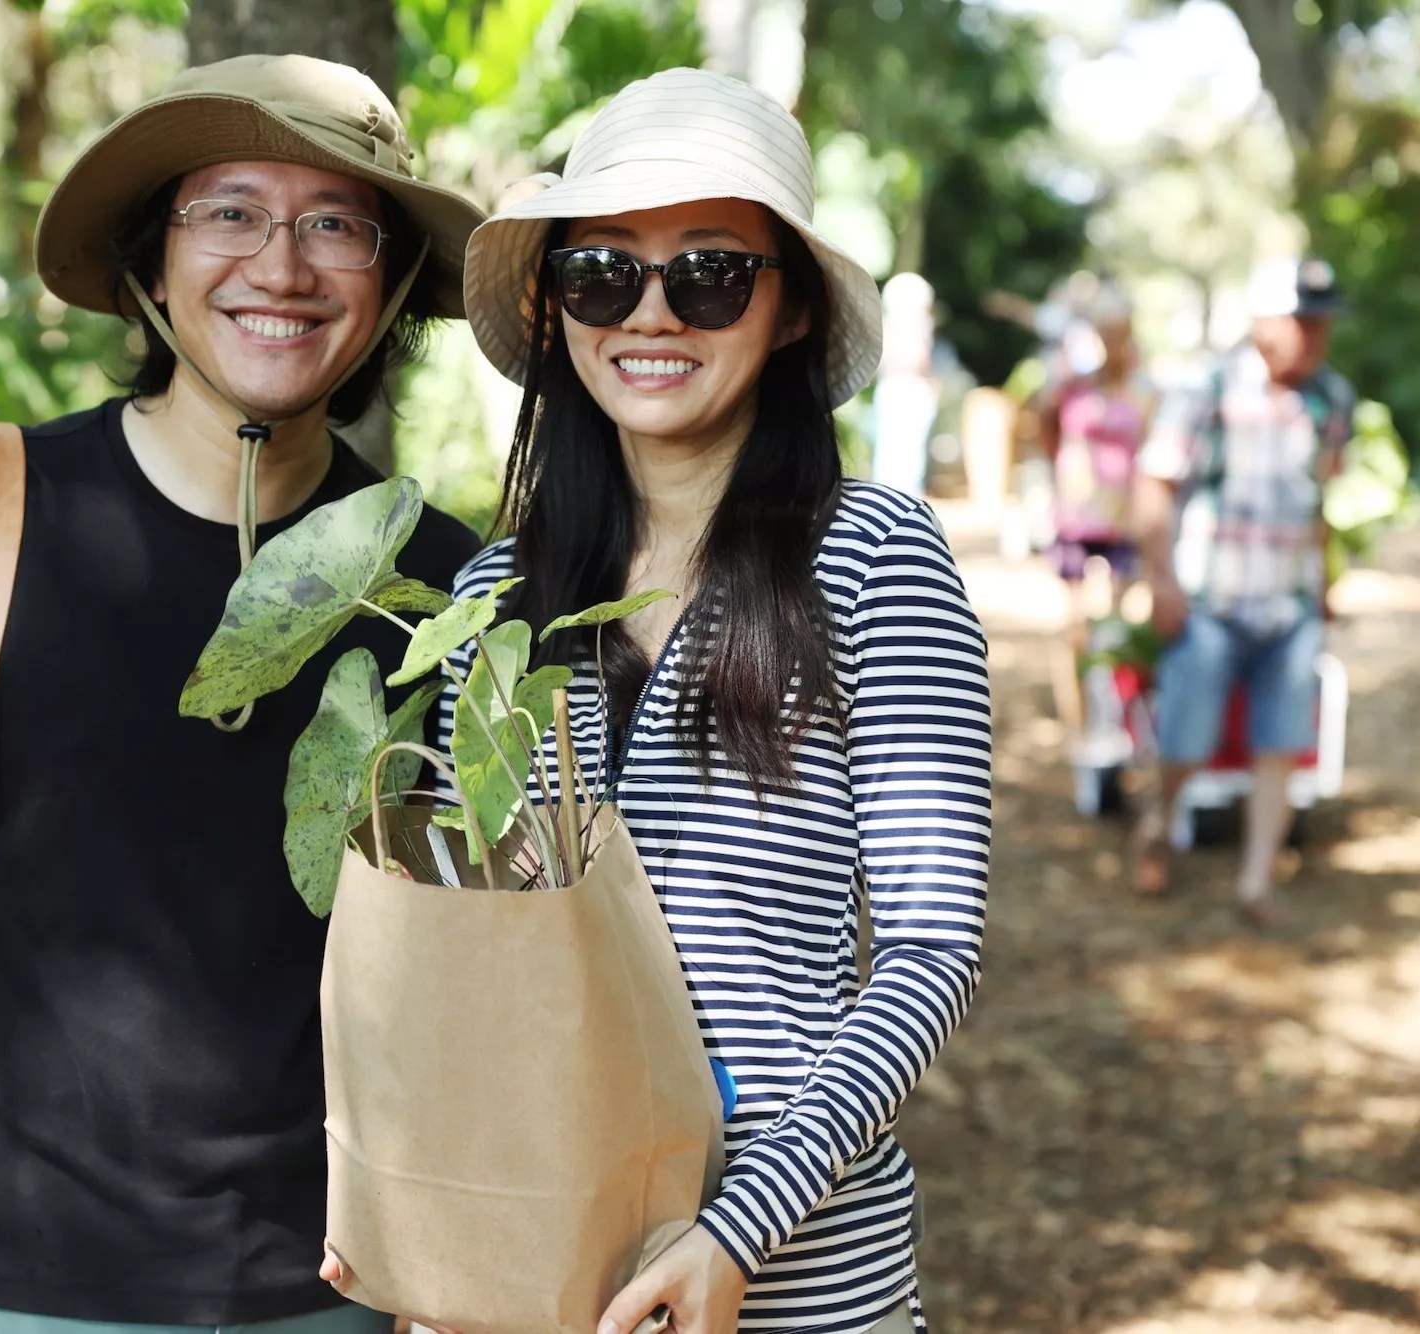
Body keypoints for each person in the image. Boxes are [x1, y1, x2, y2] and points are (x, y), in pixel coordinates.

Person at [0, 54, 484, 1334]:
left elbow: (476, 958)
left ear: (390, 288)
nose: (280, 266)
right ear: (152, 263)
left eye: (335, 224)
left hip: (338, 1283)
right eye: (229, 211)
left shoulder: (440, 582)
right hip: (3, 1275)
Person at [395, 67, 991, 1334]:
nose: (650, 312)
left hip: (797, 1283)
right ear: (556, 305)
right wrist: (434, 1224)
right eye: (602, 272)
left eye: (710, 272)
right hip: (542, 1263)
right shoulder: (493, 599)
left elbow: (929, 951)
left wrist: (736, 1230)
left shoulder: (874, 557)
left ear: (790, 309)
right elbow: (475, 949)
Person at [1130, 256, 1355, 924]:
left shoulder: (1332, 399)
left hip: (1291, 605)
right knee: (1187, 739)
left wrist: (1327, 584)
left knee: (1281, 745)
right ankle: (1159, 822)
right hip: (1210, 604)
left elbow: (1321, 500)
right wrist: (1161, 582)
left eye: (1322, 324)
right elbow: (1155, 483)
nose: (1315, 336)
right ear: (1263, 323)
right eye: (1302, 321)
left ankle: (1256, 882)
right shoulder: (1208, 388)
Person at [1029, 282, 1157, 747]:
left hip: (1125, 521)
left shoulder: (1144, 389)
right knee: (1076, 626)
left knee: (1119, 626)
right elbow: (1043, 426)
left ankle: (1116, 722)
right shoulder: (1071, 386)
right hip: (1076, 519)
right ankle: (1078, 726)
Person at [871, 270, 941, 496]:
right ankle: (906, 499)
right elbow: (920, 358)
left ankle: (884, 498)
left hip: (888, 387)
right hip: (912, 389)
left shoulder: (885, 325)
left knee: (888, 449)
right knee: (910, 451)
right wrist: (931, 382)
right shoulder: (919, 324)